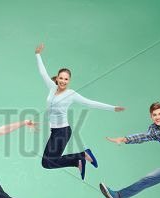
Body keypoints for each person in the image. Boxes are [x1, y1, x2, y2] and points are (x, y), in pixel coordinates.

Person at [35, 43, 125, 180]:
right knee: (46, 163)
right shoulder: (52, 88)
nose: (63, 81)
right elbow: (43, 73)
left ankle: (81, 156)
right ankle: (78, 160)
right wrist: (38, 54)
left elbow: (91, 103)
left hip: (63, 131)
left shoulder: (71, 94)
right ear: (57, 78)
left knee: (47, 162)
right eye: (61, 78)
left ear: (69, 80)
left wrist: (113, 108)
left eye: (66, 79)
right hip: (55, 132)